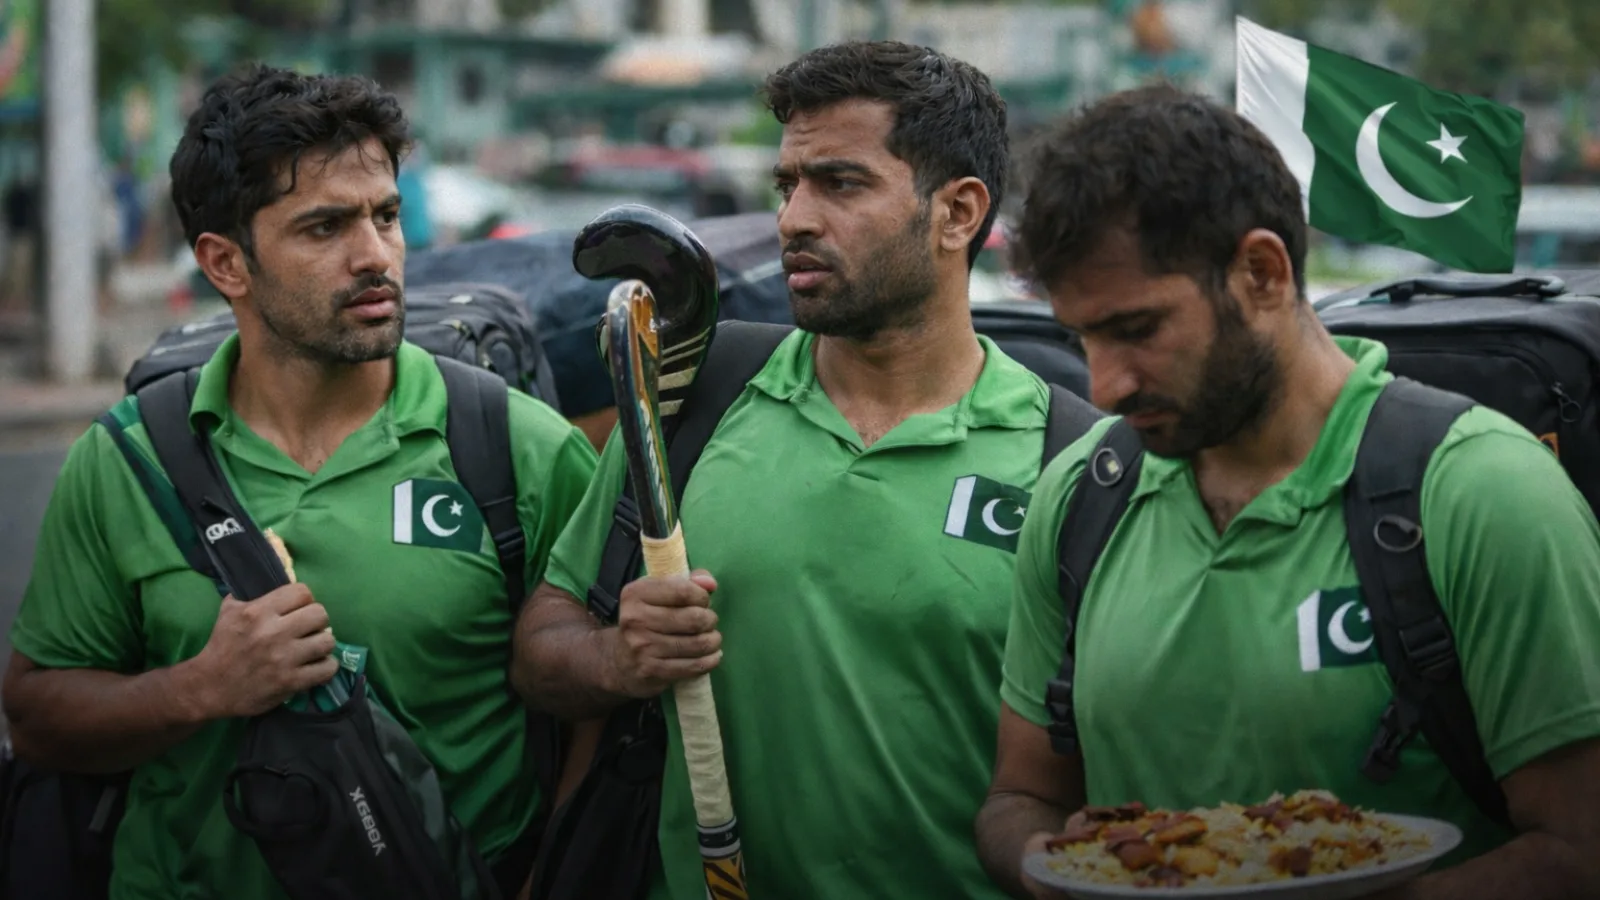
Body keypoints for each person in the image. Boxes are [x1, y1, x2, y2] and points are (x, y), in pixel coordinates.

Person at [974, 83, 1600, 899]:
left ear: (1262, 272)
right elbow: (1021, 798)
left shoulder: (1481, 492)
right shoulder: (1080, 499)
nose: (1104, 384)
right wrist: (1053, 865)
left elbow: (1580, 848)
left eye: (1137, 330)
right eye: (1080, 337)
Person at [513, 40, 1093, 900]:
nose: (792, 220)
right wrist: (612, 658)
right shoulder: (691, 398)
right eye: (788, 185)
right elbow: (540, 648)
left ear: (959, 213)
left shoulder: (1074, 461)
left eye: (841, 183)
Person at [2, 64, 598, 899]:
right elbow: (35, 716)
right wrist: (200, 688)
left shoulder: (512, 445)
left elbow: (603, 706)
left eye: (386, 216)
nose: (376, 256)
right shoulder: (125, 461)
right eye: (324, 228)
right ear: (226, 263)